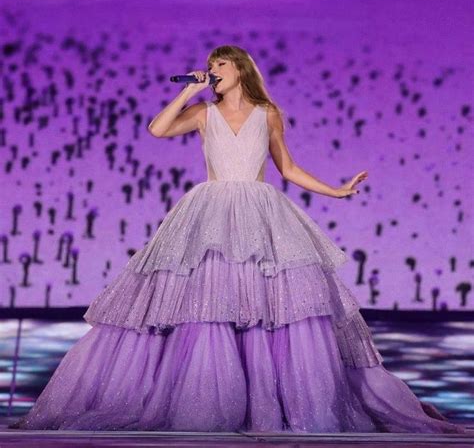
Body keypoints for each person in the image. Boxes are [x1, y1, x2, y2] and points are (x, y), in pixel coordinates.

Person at [11, 45, 466, 433]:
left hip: (259, 212)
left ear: (240, 70)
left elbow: (287, 167)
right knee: (207, 300)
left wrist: (338, 189)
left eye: (220, 63)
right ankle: (205, 399)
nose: (212, 68)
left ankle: (274, 400)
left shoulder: (267, 114)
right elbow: (157, 129)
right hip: (208, 211)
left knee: (270, 305)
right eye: (210, 63)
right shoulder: (202, 113)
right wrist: (188, 89)